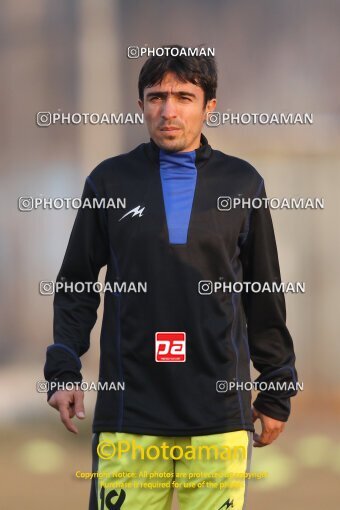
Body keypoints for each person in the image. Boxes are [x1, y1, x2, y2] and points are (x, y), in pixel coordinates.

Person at [44, 45, 298, 510]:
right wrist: (63, 369)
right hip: (130, 416)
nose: (168, 110)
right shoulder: (109, 182)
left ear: (209, 107)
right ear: (140, 104)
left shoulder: (242, 184)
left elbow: (264, 292)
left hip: (218, 416)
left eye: (184, 96)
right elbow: (77, 283)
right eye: (156, 96)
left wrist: (277, 386)